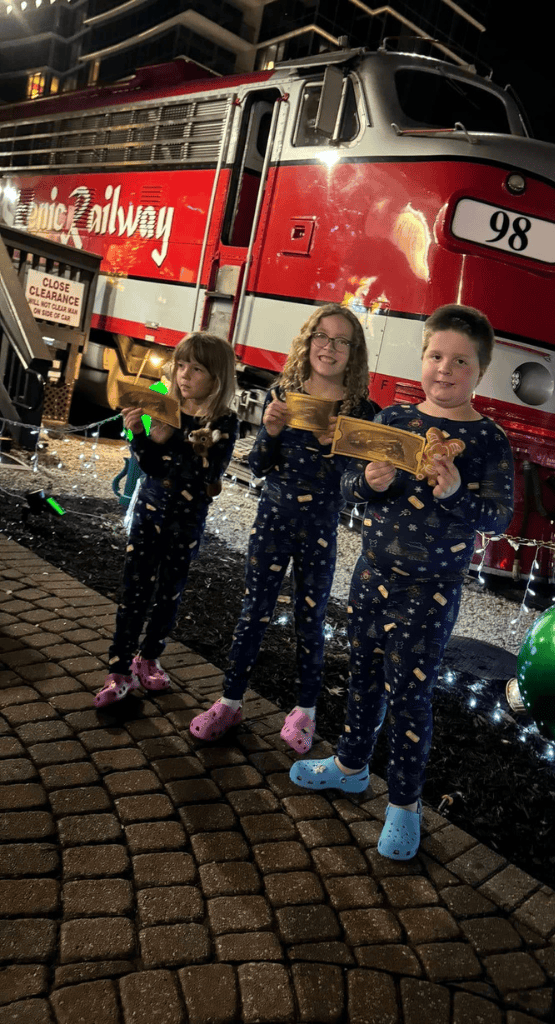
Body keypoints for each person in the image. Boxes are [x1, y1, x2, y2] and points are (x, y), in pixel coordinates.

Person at [288, 304, 514, 860]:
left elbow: (499, 518)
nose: (445, 369)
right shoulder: (392, 421)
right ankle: (349, 766)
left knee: (411, 697)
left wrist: (457, 492)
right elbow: (343, 488)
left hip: (431, 591)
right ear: (422, 358)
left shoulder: (488, 441)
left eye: (460, 360)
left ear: (479, 371)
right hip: (372, 576)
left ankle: (405, 807)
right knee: (362, 675)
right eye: (436, 355)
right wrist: (366, 481)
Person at [189, 303, 377, 747]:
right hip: (272, 519)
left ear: (354, 352)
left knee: (311, 621)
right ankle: (229, 702)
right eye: (322, 337)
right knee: (253, 612)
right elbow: (257, 467)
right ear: (308, 340)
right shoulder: (284, 391)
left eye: (341, 341)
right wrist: (270, 434)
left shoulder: (363, 409)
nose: (329, 348)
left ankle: (305, 713)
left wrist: (340, 448)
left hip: (320, 528)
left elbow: (356, 489)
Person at [94, 333, 238, 706]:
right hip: (149, 514)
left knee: (168, 594)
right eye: (181, 365)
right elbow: (151, 468)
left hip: (187, 523)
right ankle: (119, 668)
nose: (184, 374)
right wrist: (141, 434)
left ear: (217, 377)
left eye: (197, 368)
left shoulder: (224, 420)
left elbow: (208, 473)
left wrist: (171, 444)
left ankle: (149, 656)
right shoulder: (164, 407)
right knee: (133, 592)